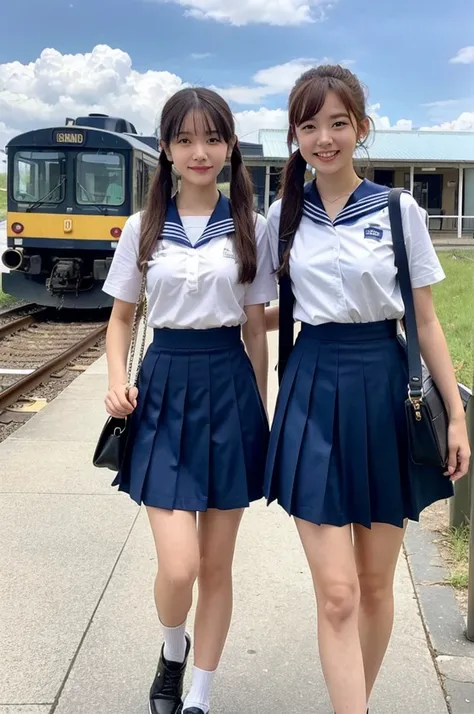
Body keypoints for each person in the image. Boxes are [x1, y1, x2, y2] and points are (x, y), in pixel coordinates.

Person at [263, 65, 470, 714]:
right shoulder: (281, 217)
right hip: (311, 390)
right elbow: (263, 306)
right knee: (339, 593)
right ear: (295, 136)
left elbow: (426, 319)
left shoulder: (397, 210)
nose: (324, 138)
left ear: (361, 128)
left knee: (377, 585)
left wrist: (458, 420)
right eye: (309, 125)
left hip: (386, 387)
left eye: (337, 123)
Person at [102, 87, 277, 714]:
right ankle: (171, 653)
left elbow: (256, 327)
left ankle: (198, 694)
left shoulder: (252, 227)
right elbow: (121, 318)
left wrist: (259, 409)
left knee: (217, 564)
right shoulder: (143, 228)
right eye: (184, 139)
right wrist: (116, 378)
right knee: (179, 567)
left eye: (212, 138)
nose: (199, 151)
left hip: (229, 383)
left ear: (230, 146)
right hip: (165, 386)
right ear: (166, 149)